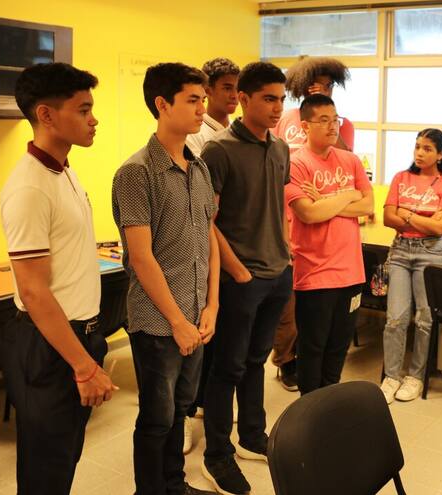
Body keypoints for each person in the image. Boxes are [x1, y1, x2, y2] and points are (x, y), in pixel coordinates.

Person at [1, 62, 117, 494]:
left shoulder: (63, 170)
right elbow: (33, 290)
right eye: (83, 109)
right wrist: (84, 367)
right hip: (49, 345)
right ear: (46, 115)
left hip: (77, 336)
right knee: (45, 471)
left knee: (64, 457)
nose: (94, 119)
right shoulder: (30, 186)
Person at [111, 62, 219, 495]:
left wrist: (212, 306)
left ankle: (175, 485)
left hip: (196, 317)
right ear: (162, 104)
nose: (201, 109)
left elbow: (208, 240)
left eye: (202, 100)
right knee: (156, 419)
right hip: (160, 323)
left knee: (180, 410)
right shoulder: (136, 173)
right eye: (192, 100)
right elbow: (141, 258)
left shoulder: (198, 167)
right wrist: (177, 321)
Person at [200, 61, 293, 495]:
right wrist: (236, 269)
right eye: (269, 98)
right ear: (243, 99)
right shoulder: (217, 150)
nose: (278, 108)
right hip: (241, 279)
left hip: (278, 273)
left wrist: (286, 255)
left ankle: (252, 436)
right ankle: (216, 455)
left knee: (256, 361)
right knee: (227, 368)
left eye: (282, 98)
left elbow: (276, 207)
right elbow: (204, 219)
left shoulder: (280, 148)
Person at [271, 56, 356, 391]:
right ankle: (286, 361)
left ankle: (309, 375)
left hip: (328, 227)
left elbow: (347, 168)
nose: (322, 87)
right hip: (288, 221)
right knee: (288, 313)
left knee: (321, 328)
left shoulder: (340, 124)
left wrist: (327, 124)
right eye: (315, 83)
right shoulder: (285, 118)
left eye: (329, 84)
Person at [285, 94, 374, 395]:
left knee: (338, 348)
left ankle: (328, 407)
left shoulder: (349, 160)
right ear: (305, 125)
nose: (331, 126)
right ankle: (308, 409)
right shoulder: (295, 163)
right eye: (323, 120)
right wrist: (348, 195)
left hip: (351, 274)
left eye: (334, 119)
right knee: (312, 349)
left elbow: (368, 206)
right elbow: (308, 214)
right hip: (314, 275)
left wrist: (325, 199)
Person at [183, 56, 240, 455]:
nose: (233, 96)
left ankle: (203, 406)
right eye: (226, 88)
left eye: (238, 88)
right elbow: (204, 210)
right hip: (203, 247)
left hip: (224, 247)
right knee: (194, 345)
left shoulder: (231, 131)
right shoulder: (196, 134)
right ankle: (187, 414)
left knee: (215, 341)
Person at [379, 129, 442, 404]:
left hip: (432, 254)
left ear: (440, 154)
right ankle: (391, 377)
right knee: (396, 318)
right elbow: (388, 218)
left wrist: (408, 213)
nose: (420, 153)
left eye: (427, 148)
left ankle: (415, 376)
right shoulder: (401, 178)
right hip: (401, 251)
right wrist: (424, 220)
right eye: (417, 147)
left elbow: (440, 227)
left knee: (424, 319)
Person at [185, 57, 240, 157]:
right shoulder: (192, 134)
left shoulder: (239, 131)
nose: (235, 95)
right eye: (227, 88)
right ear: (208, 90)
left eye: (237, 89)